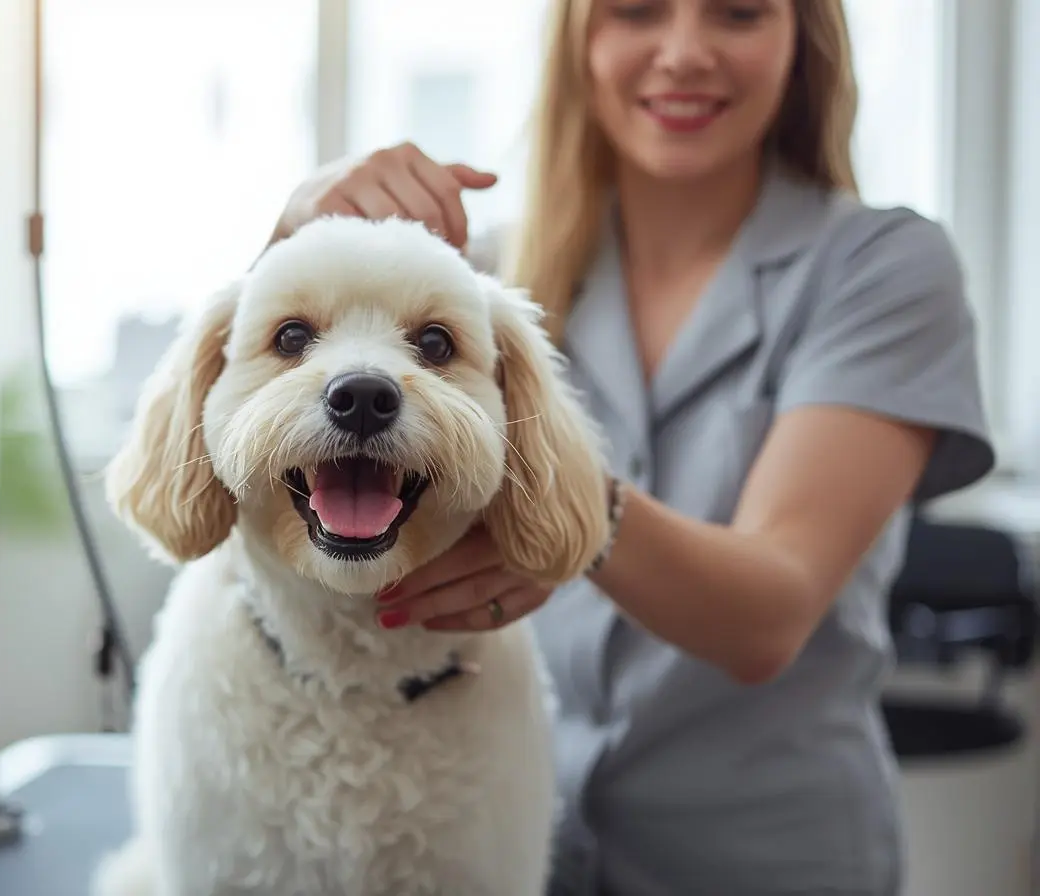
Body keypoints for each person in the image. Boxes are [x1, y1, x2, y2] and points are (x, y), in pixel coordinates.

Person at [264, 0, 995, 893]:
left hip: (773, 863)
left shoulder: (882, 269)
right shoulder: (475, 285)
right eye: (637, 11)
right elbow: (268, 404)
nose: (683, 54)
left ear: (801, 40)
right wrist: (298, 231)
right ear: (580, 39)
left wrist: (575, 516)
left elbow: (771, 611)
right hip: (523, 839)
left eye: (737, 13)